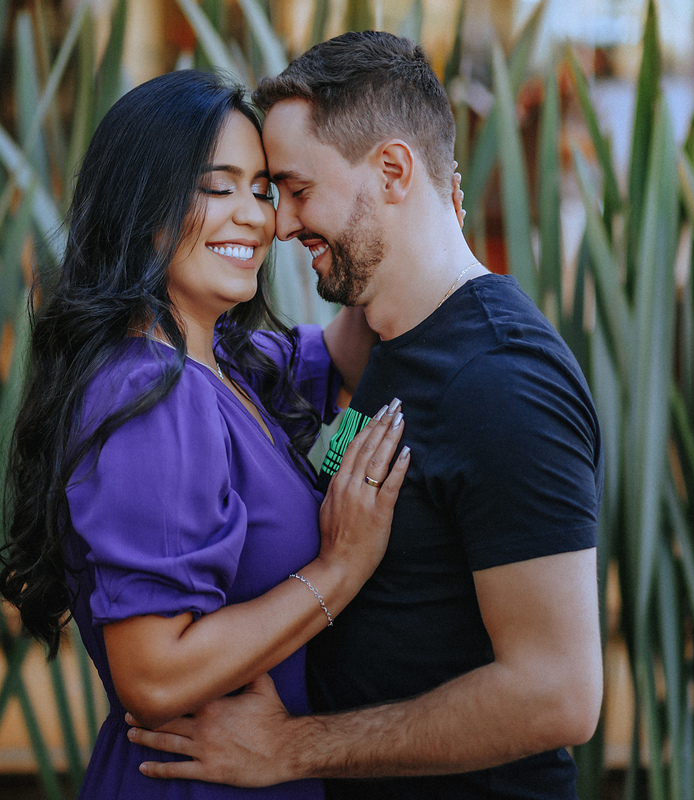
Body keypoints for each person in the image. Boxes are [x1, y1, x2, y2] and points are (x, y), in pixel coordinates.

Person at [129, 32, 605, 800]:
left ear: (391, 170)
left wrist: (292, 749)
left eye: (294, 188)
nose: (279, 224)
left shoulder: (505, 384)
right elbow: (255, 365)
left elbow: (558, 694)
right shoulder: (385, 329)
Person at [0, 69, 416, 799]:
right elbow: (154, 673)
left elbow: (363, 337)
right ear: (142, 207)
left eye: (263, 190)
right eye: (216, 188)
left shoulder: (222, 362)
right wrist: (338, 572)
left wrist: (407, 216)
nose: (256, 219)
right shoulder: (153, 394)